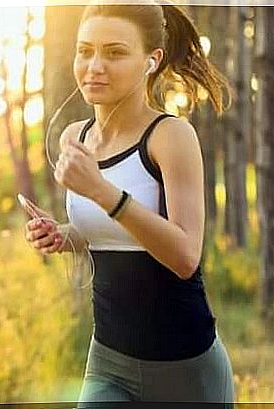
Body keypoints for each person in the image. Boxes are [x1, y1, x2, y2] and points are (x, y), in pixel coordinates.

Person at [23, 2, 235, 407]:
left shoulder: (170, 136)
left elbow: (186, 256)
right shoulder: (75, 137)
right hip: (108, 361)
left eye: (115, 52)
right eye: (85, 51)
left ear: (151, 60)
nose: (95, 66)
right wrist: (62, 235)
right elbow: (109, 234)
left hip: (185, 368)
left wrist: (102, 192)